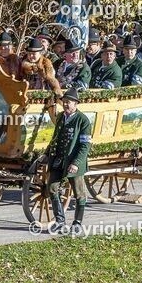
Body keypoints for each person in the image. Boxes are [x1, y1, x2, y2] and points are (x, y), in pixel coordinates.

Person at [45, 87, 92, 237]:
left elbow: (85, 145)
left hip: (74, 163)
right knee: (52, 188)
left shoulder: (82, 120)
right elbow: (55, 138)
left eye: (69, 102)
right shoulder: (60, 118)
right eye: (64, 102)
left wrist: (77, 163)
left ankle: (77, 223)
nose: (65, 104)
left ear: (76, 104)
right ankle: (60, 221)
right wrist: (46, 154)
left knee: (79, 193)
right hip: (58, 160)